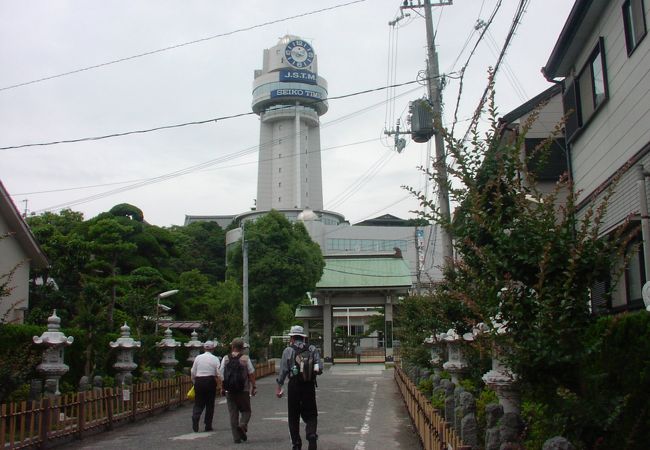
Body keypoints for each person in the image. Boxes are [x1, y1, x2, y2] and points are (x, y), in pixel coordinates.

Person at [276, 325, 322, 450]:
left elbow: (283, 371)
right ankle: (311, 434)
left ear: (292, 337)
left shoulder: (288, 351)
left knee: (293, 415)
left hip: (294, 385)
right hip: (309, 385)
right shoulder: (312, 349)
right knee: (312, 413)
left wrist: (279, 386)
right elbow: (319, 368)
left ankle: (296, 444)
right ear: (303, 337)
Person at [220, 338, 257, 444]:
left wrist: (222, 387)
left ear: (232, 347)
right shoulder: (245, 358)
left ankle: (236, 438)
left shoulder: (225, 358)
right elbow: (251, 373)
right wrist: (254, 386)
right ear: (242, 348)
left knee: (233, 413)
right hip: (243, 390)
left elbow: (221, 374)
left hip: (229, 390)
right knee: (246, 411)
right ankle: (242, 424)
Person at [190, 340, 220, 432]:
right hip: (210, 380)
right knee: (210, 404)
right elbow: (218, 373)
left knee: (198, 402)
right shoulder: (215, 358)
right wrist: (220, 383)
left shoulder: (198, 358)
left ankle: (196, 416)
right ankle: (208, 425)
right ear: (213, 349)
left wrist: (194, 381)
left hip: (199, 380)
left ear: (204, 348)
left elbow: (193, 371)